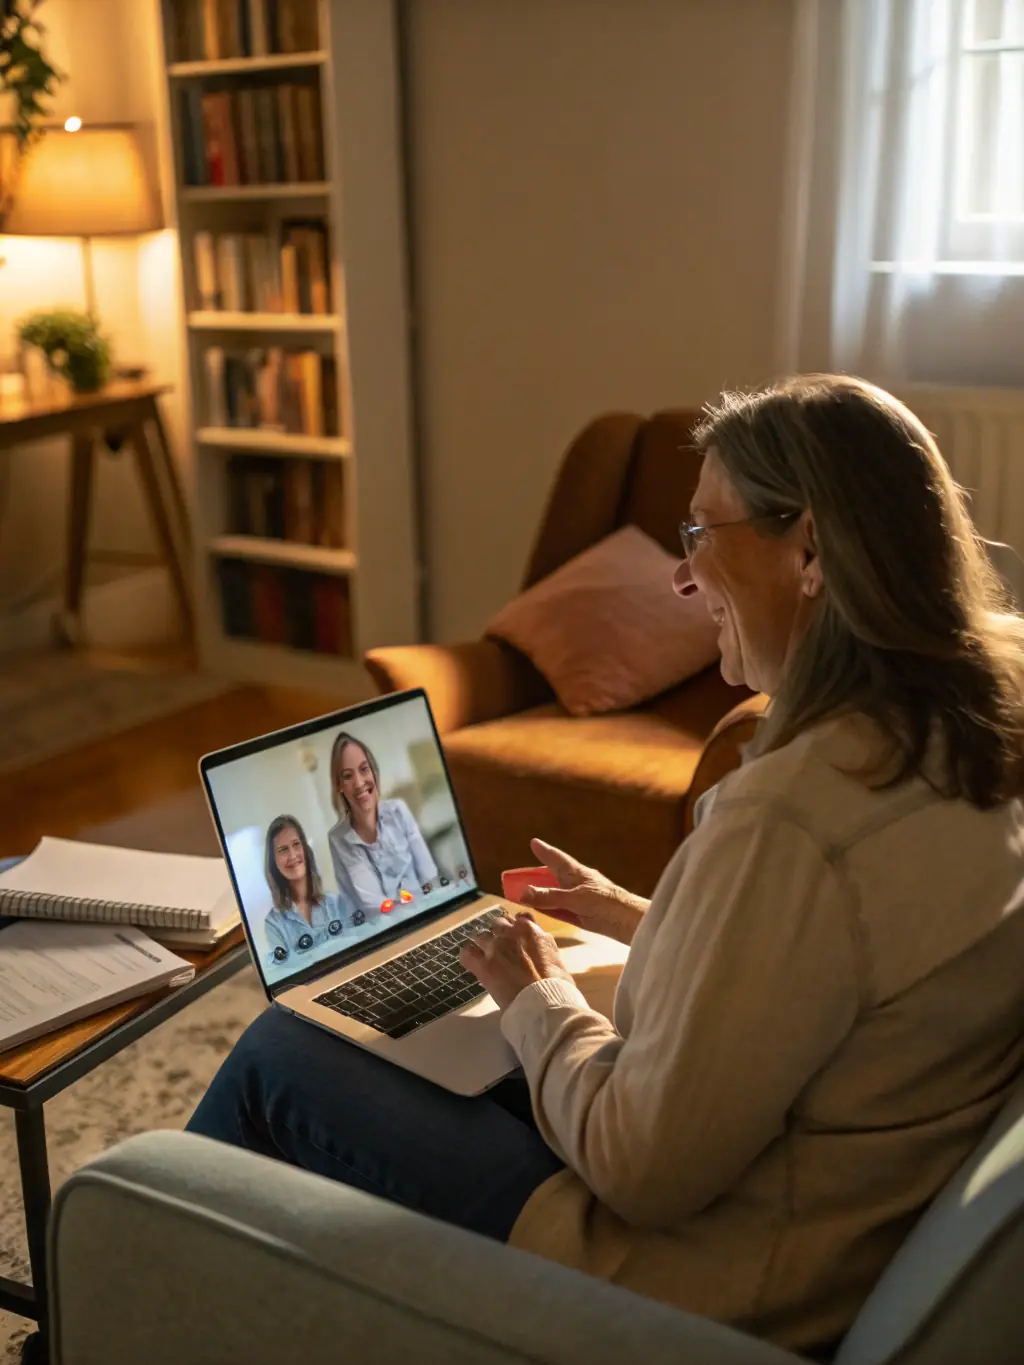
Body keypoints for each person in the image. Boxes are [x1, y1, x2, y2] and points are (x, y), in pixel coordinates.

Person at [189, 376, 1024, 1357]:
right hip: (837, 1224)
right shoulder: (971, 724)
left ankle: (130, 1286)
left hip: (710, 1281)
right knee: (450, 1045)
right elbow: (837, 965)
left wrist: (541, 1002)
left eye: (700, 536)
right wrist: (644, 917)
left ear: (808, 551)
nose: (682, 579)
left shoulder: (793, 819)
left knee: (284, 1057)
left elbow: (640, 1167)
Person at [325, 731, 438, 923]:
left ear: (374, 773)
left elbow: (429, 876)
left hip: (428, 915)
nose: (359, 783)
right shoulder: (339, 839)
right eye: (347, 776)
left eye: (364, 769)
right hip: (383, 932)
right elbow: (374, 905)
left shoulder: (398, 810)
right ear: (339, 786)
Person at [261, 815, 356, 968]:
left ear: (305, 849)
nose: (292, 855)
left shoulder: (336, 903)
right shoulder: (274, 924)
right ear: (274, 862)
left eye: (296, 844)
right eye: (283, 850)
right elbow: (285, 974)